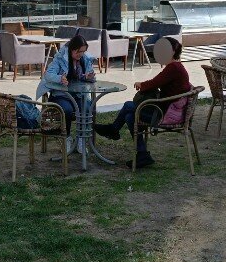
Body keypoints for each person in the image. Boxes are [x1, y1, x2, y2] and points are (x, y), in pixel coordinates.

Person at [95, 37, 192, 169]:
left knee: (128, 105)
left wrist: (141, 84)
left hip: (164, 114)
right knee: (130, 117)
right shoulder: (177, 67)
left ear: (173, 51)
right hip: (167, 110)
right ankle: (142, 154)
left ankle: (113, 129)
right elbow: (158, 82)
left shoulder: (173, 68)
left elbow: (154, 82)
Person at [35, 34, 96, 134]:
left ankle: (81, 137)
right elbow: (48, 75)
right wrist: (60, 78)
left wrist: (88, 77)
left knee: (87, 108)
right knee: (67, 110)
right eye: (78, 51)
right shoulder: (60, 58)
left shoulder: (85, 59)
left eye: (83, 51)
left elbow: (87, 75)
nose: (81, 54)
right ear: (72, 49)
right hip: (60, 95)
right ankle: (66, 136)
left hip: (78, 95)